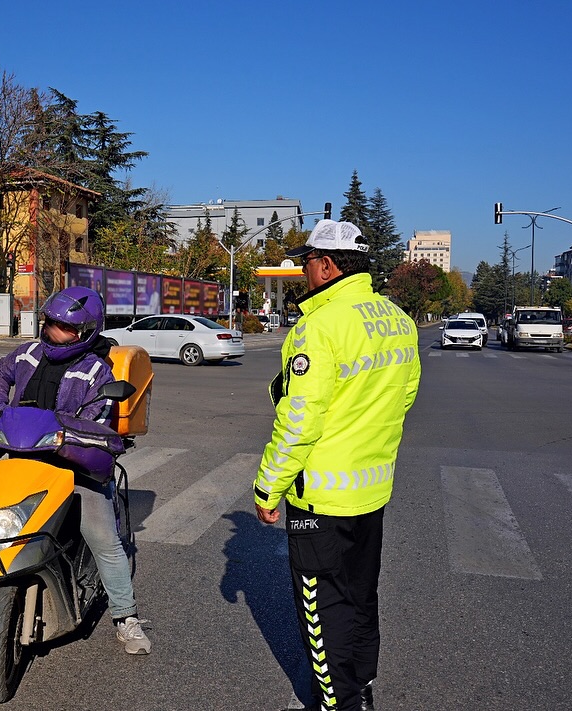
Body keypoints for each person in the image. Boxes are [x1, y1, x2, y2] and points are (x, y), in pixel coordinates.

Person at [251, 220, 421, 711]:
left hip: (321, 497)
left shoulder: (320, 326)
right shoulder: (396, 318)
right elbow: (404, 396)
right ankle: (361, 687)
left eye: (306, 261)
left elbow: (299, 419)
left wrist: (268, 489)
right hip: (371, 489)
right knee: (361, 597)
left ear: (327, 265)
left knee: (323, 612)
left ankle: (338, 703)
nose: (302, 270)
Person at [0, 286, 153, 655]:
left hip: (73, 462)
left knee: (103, 537)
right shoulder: (27, 353)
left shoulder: (96, 371)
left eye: (64, 328)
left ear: (85, 332)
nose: (54, 331)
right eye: (51, 323)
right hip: (20, 454)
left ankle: (126, 615)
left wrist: (65, 434)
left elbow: (94, 421)